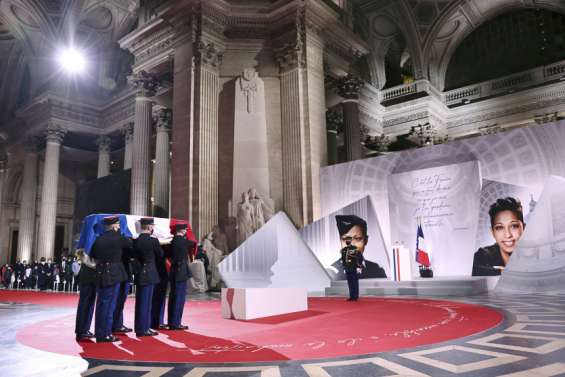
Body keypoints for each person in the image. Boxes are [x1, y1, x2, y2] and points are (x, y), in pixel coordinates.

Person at [91, 216, 133, 343]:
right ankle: (105, 334)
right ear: (115, 226)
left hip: (100, 272)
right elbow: (130, 244)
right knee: (109, 305)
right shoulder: (119, 238)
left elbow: (93, 255)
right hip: (113, 273)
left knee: (101, 304)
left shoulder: (99, 239)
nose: (119, 227)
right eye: (118, 225)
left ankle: (100, 332)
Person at [472, 197, 525, 276]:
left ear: (523, 227)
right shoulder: (483, 255)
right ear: (493, 232)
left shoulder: (538, 253)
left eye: (514, 226)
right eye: (499, 227)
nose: (508, 235)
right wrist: (501, 272)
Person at [326, 215, 387, 280]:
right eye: (346, 239)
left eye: (357, 239)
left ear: (366, 240)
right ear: (340, 241)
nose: (352, 244)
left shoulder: (377, 270)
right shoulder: (331, 273)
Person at [133, 218, 163, 337]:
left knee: (141, 302)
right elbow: (160, 254)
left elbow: (134, 256)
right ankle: (144, 329)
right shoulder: (153, 241)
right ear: (150, 227)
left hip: (140, 273)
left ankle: (140, 328)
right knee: (147, 302)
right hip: (150, 273)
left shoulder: (137, 240)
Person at [167, 223, 194, 330]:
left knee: (173, 297)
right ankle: (176, 323)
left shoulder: (173, 241)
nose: (186, 231)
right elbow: (192, 243)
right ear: (181, 230)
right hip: (180, 271)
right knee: (179, 298)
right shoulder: (182, 241)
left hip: (174, 270)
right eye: (185, 229)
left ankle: (172, 321)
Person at [335, 215, 368, 301]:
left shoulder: (355, 249)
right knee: (350, 283)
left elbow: (359, 257)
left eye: (357, 238)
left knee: (354, 282)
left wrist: (359, 266)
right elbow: (343, 259)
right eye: (347, 239)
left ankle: (355, 296)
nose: (348, 241)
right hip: (348, 268)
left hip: (354, 267)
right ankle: (351, 296)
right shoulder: (344, 250)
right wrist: (344, 267)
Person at [74, 250, 97, 341]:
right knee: (86, 305)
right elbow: (81, 253)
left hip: (88, 276)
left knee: (88, 304)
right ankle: (82, 330)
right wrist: (96, 264)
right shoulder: (90, 237)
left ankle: (84, 329)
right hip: (88, 276)